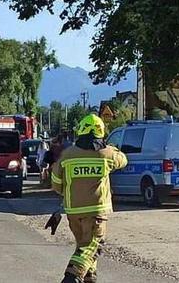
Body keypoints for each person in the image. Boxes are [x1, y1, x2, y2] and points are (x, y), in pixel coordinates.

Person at [50, 114, 128, 283]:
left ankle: (89, 279)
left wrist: (71, 192)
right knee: (92, 247)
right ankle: (71, 277)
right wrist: (111, 148)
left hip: (73, 213)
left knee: (84, 249)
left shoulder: (67, 155)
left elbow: (56, 183)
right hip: (96, 211)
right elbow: (123, 160)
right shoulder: (106, 153)